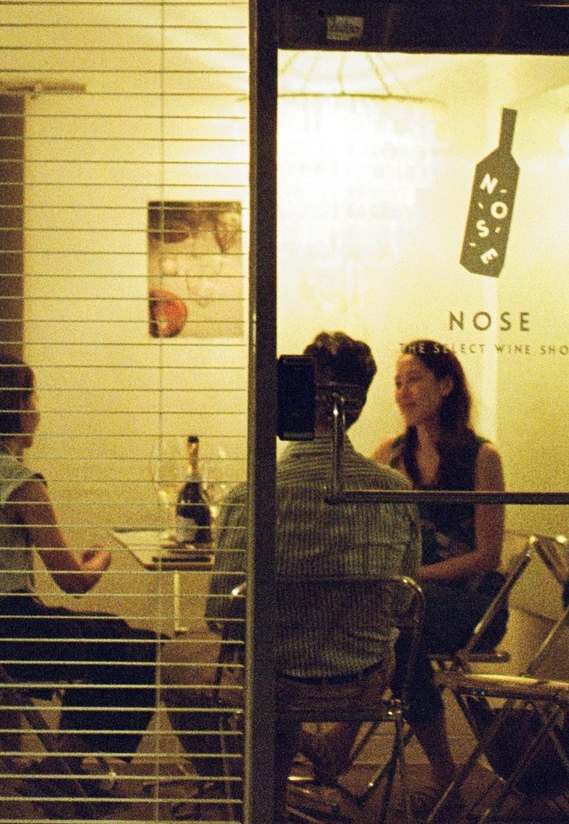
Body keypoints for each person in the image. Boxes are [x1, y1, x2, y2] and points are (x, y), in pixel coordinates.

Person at [174, 332, 419, 818]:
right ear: (357, 405)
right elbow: (404, 603)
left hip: (275, 680)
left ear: (295, 398)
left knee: (185, 660)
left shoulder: (252, 494)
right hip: (361, 680)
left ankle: (255, 796)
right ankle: (293, 773)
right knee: (284, 660)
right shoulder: (394, 489)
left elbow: (223, 613)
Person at [0, 349, 159, 799]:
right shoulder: (19, 481)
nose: (38, 412)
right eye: (33, 400)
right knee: (137, 649)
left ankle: (61, 767)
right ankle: (61, 768)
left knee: (110, 638)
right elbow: (73, 581)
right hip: (0, 637)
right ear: (15, 407)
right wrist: (101, 558)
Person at [372, 338, 507, 799]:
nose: (402, 392)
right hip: (410, 600)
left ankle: (345, 742)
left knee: (397, 625)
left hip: (475, 602)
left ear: (446, 385)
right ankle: (444, 773)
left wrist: (415, 575)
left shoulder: (482, 456)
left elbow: (488, 556)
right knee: (394, 629)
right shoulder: (389, 454)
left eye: (413, 380)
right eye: (397, 382)